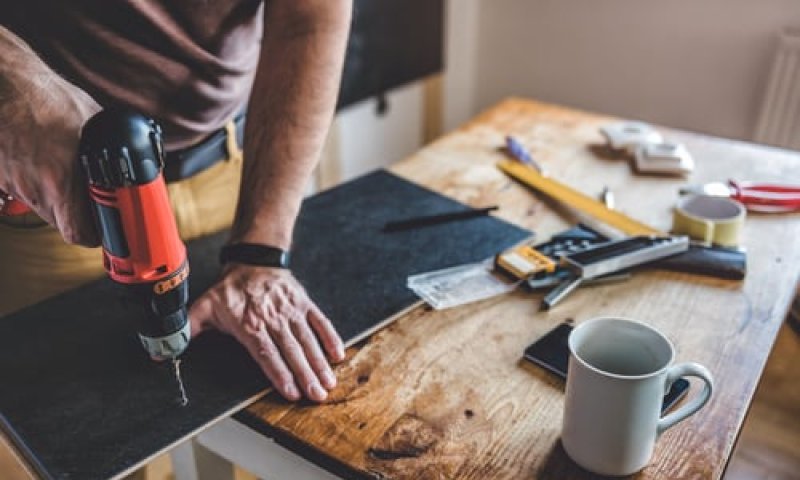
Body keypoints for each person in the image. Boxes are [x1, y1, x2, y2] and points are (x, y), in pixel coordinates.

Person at [0, 1, 352, 403]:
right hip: (47, 196)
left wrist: (260, 252)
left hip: (235, 171)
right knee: (69, 434)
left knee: (241, 407)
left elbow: (308, 17)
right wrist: (13, 84)